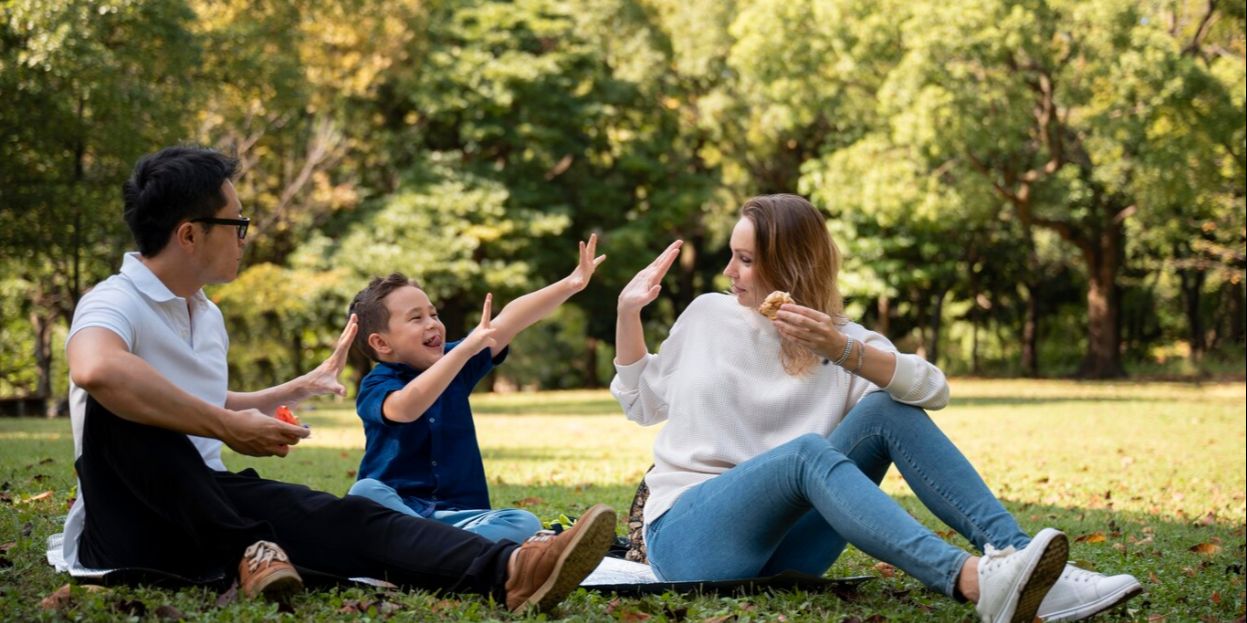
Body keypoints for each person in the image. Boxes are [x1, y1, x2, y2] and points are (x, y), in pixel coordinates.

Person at [60, 145, 615, 613]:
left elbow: (197, 399)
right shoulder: (114, 301)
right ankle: (248, 545)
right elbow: (97, 369)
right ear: (189, 234)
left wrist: (284, 393)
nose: (245, 236)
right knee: (120, 405)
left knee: (349, 515)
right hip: (131, 521)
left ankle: (513, 570)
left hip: (212, 501)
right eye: (238, 224)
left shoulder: (205, 314)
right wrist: (226, 425)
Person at [610, 194, 1142, 623]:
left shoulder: (843, 342)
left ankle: (1023, 562)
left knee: (888, 408)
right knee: (806, 455)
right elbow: (642, 403)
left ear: (791, 264)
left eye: (746, 260)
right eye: (733, 255)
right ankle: (973, 581)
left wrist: (843, 351)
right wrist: (628, 314)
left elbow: (933, 390)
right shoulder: (707, 316)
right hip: (690, 536)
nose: (730, 270)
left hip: (790, 555)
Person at [343, 236, 605, 544]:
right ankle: (443, 549)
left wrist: (570, 284)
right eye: (416, 318)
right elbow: (406, 407)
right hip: (399, 512)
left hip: (461, 518)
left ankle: (429, 549)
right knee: (365, 492)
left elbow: (509, 319)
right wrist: (464, 349)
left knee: (523, 522)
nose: (432, 324)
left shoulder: (459, 359)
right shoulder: (377, 384)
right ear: (381, 343)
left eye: (434, 314)